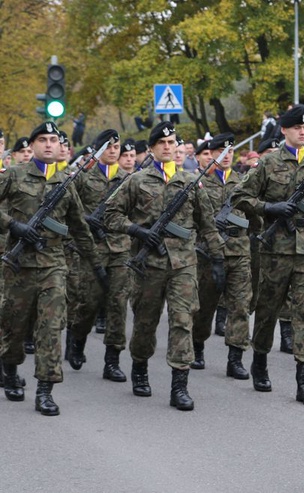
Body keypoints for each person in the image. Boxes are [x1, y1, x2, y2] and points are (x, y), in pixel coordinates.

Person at [103, 121, 225, 411]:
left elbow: (208, 224)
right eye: (163, 144)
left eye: (173, 144)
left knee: (183, 320)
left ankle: (179, 385)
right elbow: (110, 215)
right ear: (153, 148)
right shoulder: (136, 180)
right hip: (149, 265)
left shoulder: (191, 181)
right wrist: (137, 231)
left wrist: (219, 259)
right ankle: (140, 367)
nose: (168, 148)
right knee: (146, 321)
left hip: (184, 263)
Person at [0, 121, 106, 416]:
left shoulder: (66, 183)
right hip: (18, 267)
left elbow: (80, 229)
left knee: (50, 329)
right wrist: (14, 225)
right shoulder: (14, 175)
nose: (48, 144)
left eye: (53, 140)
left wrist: (97, 268)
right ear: (32, 145)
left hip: (53, 268)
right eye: (42, 139)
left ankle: (45, 391)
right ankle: (8, 371)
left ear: (60, 147)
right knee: (13, 328)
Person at [232, 104, 304, 406]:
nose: (303, 131)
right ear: (285, 130)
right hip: (275, 247)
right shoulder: (268, 164)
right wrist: (269, 208)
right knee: (267, 309)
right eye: (297, 127)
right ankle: (260, 361)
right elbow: (240, 196)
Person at [66, 129, 132, 384]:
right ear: (96, 150)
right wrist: (86, 221)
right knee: (89, 303)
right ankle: (78, 339)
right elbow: (68, 210)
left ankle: (112, 361)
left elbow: (137, 213)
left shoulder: (129, 180)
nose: (114, 150)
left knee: (117, 304)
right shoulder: (81, 179)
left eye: (117, 147)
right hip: (90, 250)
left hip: (119, 249)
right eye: (108, 146)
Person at [190, 133, 253, 380]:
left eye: (231, 152)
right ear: (212, 154)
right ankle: (197, 346)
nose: (227, 156)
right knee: (204, 306)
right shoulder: (198, 182)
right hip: (208, 254)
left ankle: (235, 358)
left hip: (239, 252)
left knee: (240, 305)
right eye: (221, 152)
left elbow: (253, 214)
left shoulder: (243, 181)